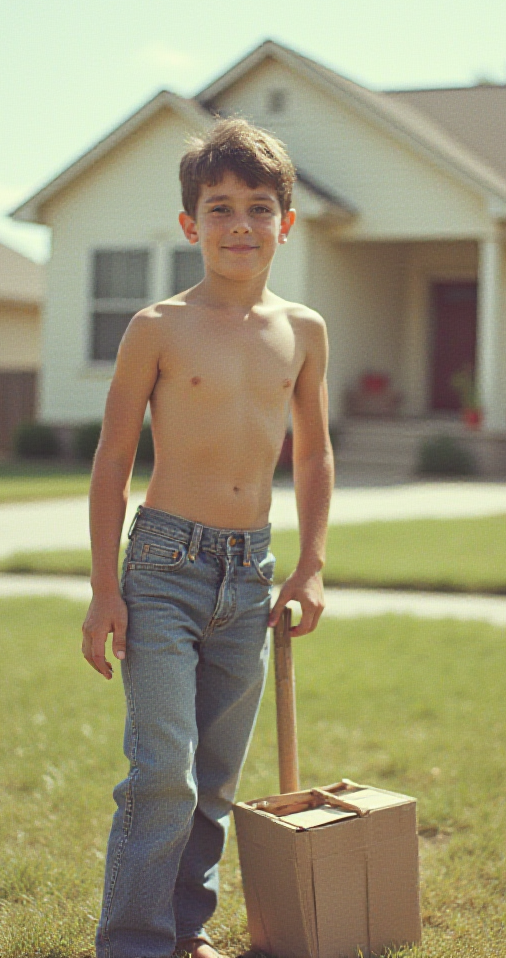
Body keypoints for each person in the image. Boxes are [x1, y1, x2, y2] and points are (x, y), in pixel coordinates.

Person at [81, 117, 334, 958]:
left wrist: (311, 568)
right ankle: (133, 942)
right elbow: (114, 457)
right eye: (219, 208)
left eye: (259, 209)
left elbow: (317, 452)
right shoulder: (157, 326)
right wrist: (103, 590)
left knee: (215, 781)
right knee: (163, 772)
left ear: (284, 224)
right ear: (191, 224)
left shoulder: (303, 331)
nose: (239, 225)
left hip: (250, 572)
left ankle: (185, 931)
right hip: (162, 565)